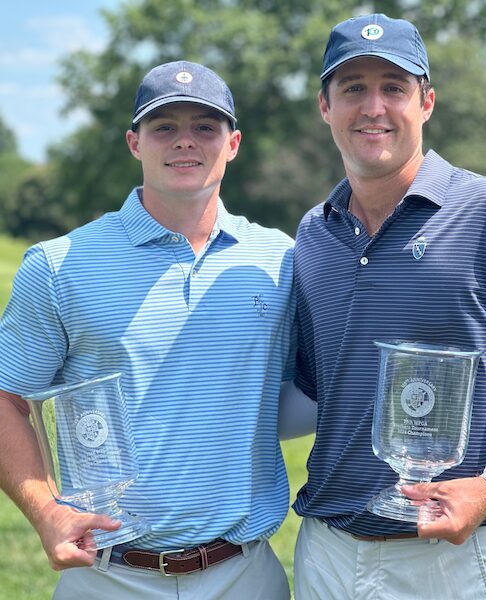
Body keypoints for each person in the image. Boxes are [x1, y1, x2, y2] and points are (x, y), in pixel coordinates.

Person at [289, 14, 486, 599]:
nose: (373, 106)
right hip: (327, 553)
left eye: (395, 88)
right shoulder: (314, 233)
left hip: (453, 561)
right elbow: (316, 392)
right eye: (353, 88)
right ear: (324, 106)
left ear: (426, 102)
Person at [0, 61, 293, 598]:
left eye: (205, 127)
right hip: (106, 573)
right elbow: (5, 397)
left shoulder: (281, 260)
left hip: (245, 572)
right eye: (165, 127)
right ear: (134, 143)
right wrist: (45, 512)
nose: (185, 142)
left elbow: (312, 387)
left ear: (233, 143)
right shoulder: (60, 264)